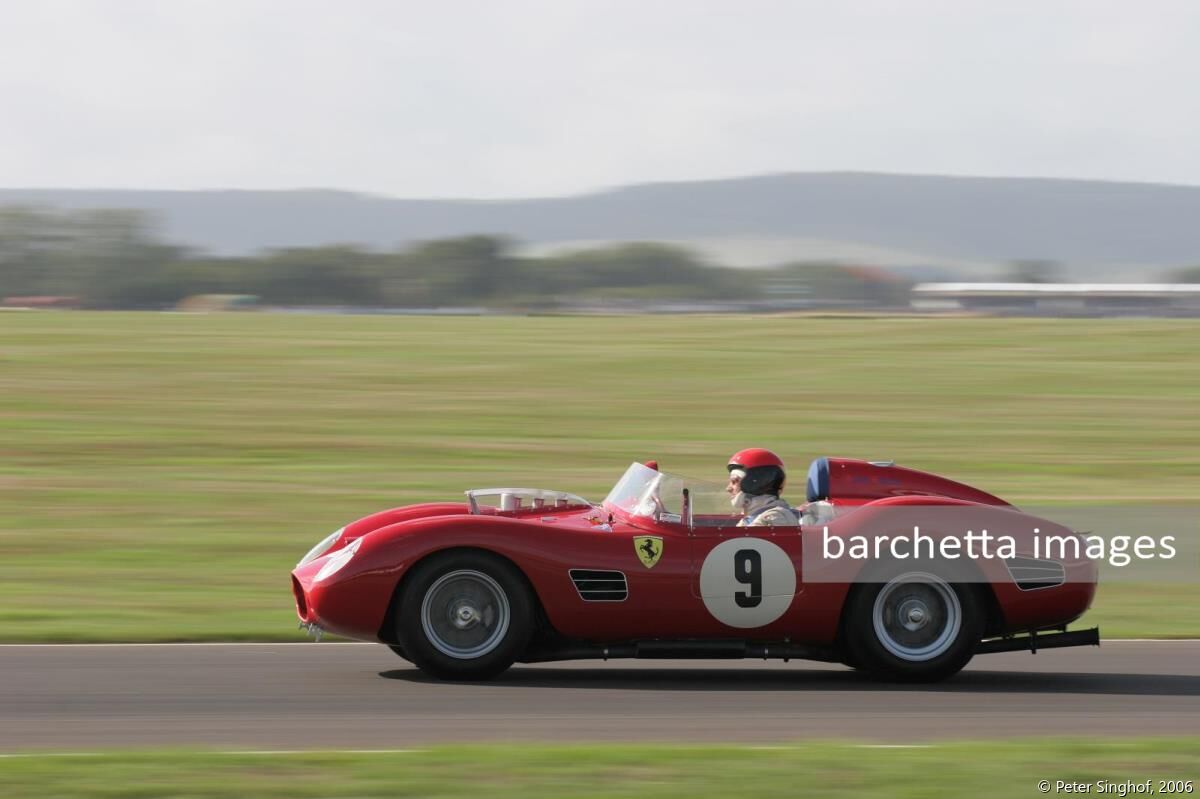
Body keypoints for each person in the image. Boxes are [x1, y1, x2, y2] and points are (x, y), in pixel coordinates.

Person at [726, 448, 800, 527]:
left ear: (754, 483)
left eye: (734, 481)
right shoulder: (750, 518)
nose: (728, 488)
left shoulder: (775, 518)